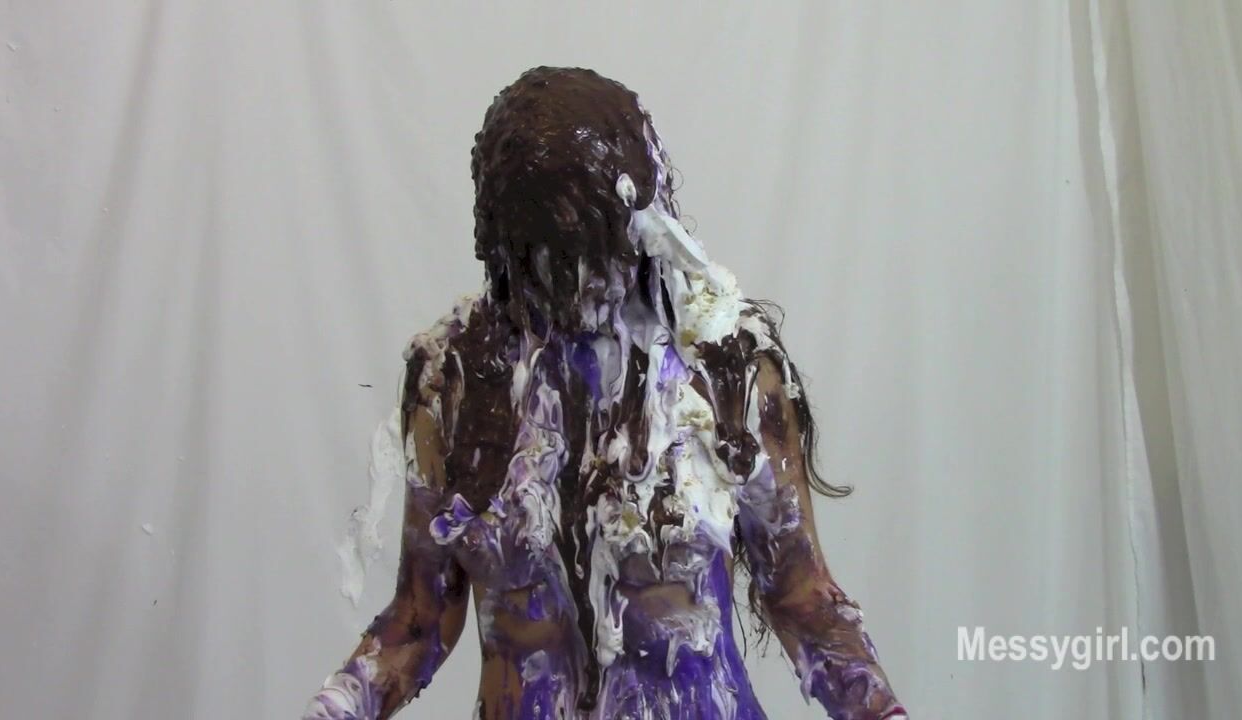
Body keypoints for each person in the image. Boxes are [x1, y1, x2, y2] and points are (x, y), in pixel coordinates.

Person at [303, 66, 907, 720]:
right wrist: (334, 709)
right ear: (506, 246)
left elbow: (804, 602)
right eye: (557, 257)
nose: (587, 284)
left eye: (601, 249)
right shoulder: (452, 381)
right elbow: (419, 623)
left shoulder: (726, 371)